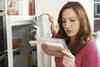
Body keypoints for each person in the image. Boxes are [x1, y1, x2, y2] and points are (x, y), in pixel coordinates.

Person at [41, 2, 99, 67]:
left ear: (82, 21)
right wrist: (53, 28)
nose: (67, 26)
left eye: (72, 20)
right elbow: (55, 39)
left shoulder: (90, 47)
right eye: (64, 21)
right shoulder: (63, 40)